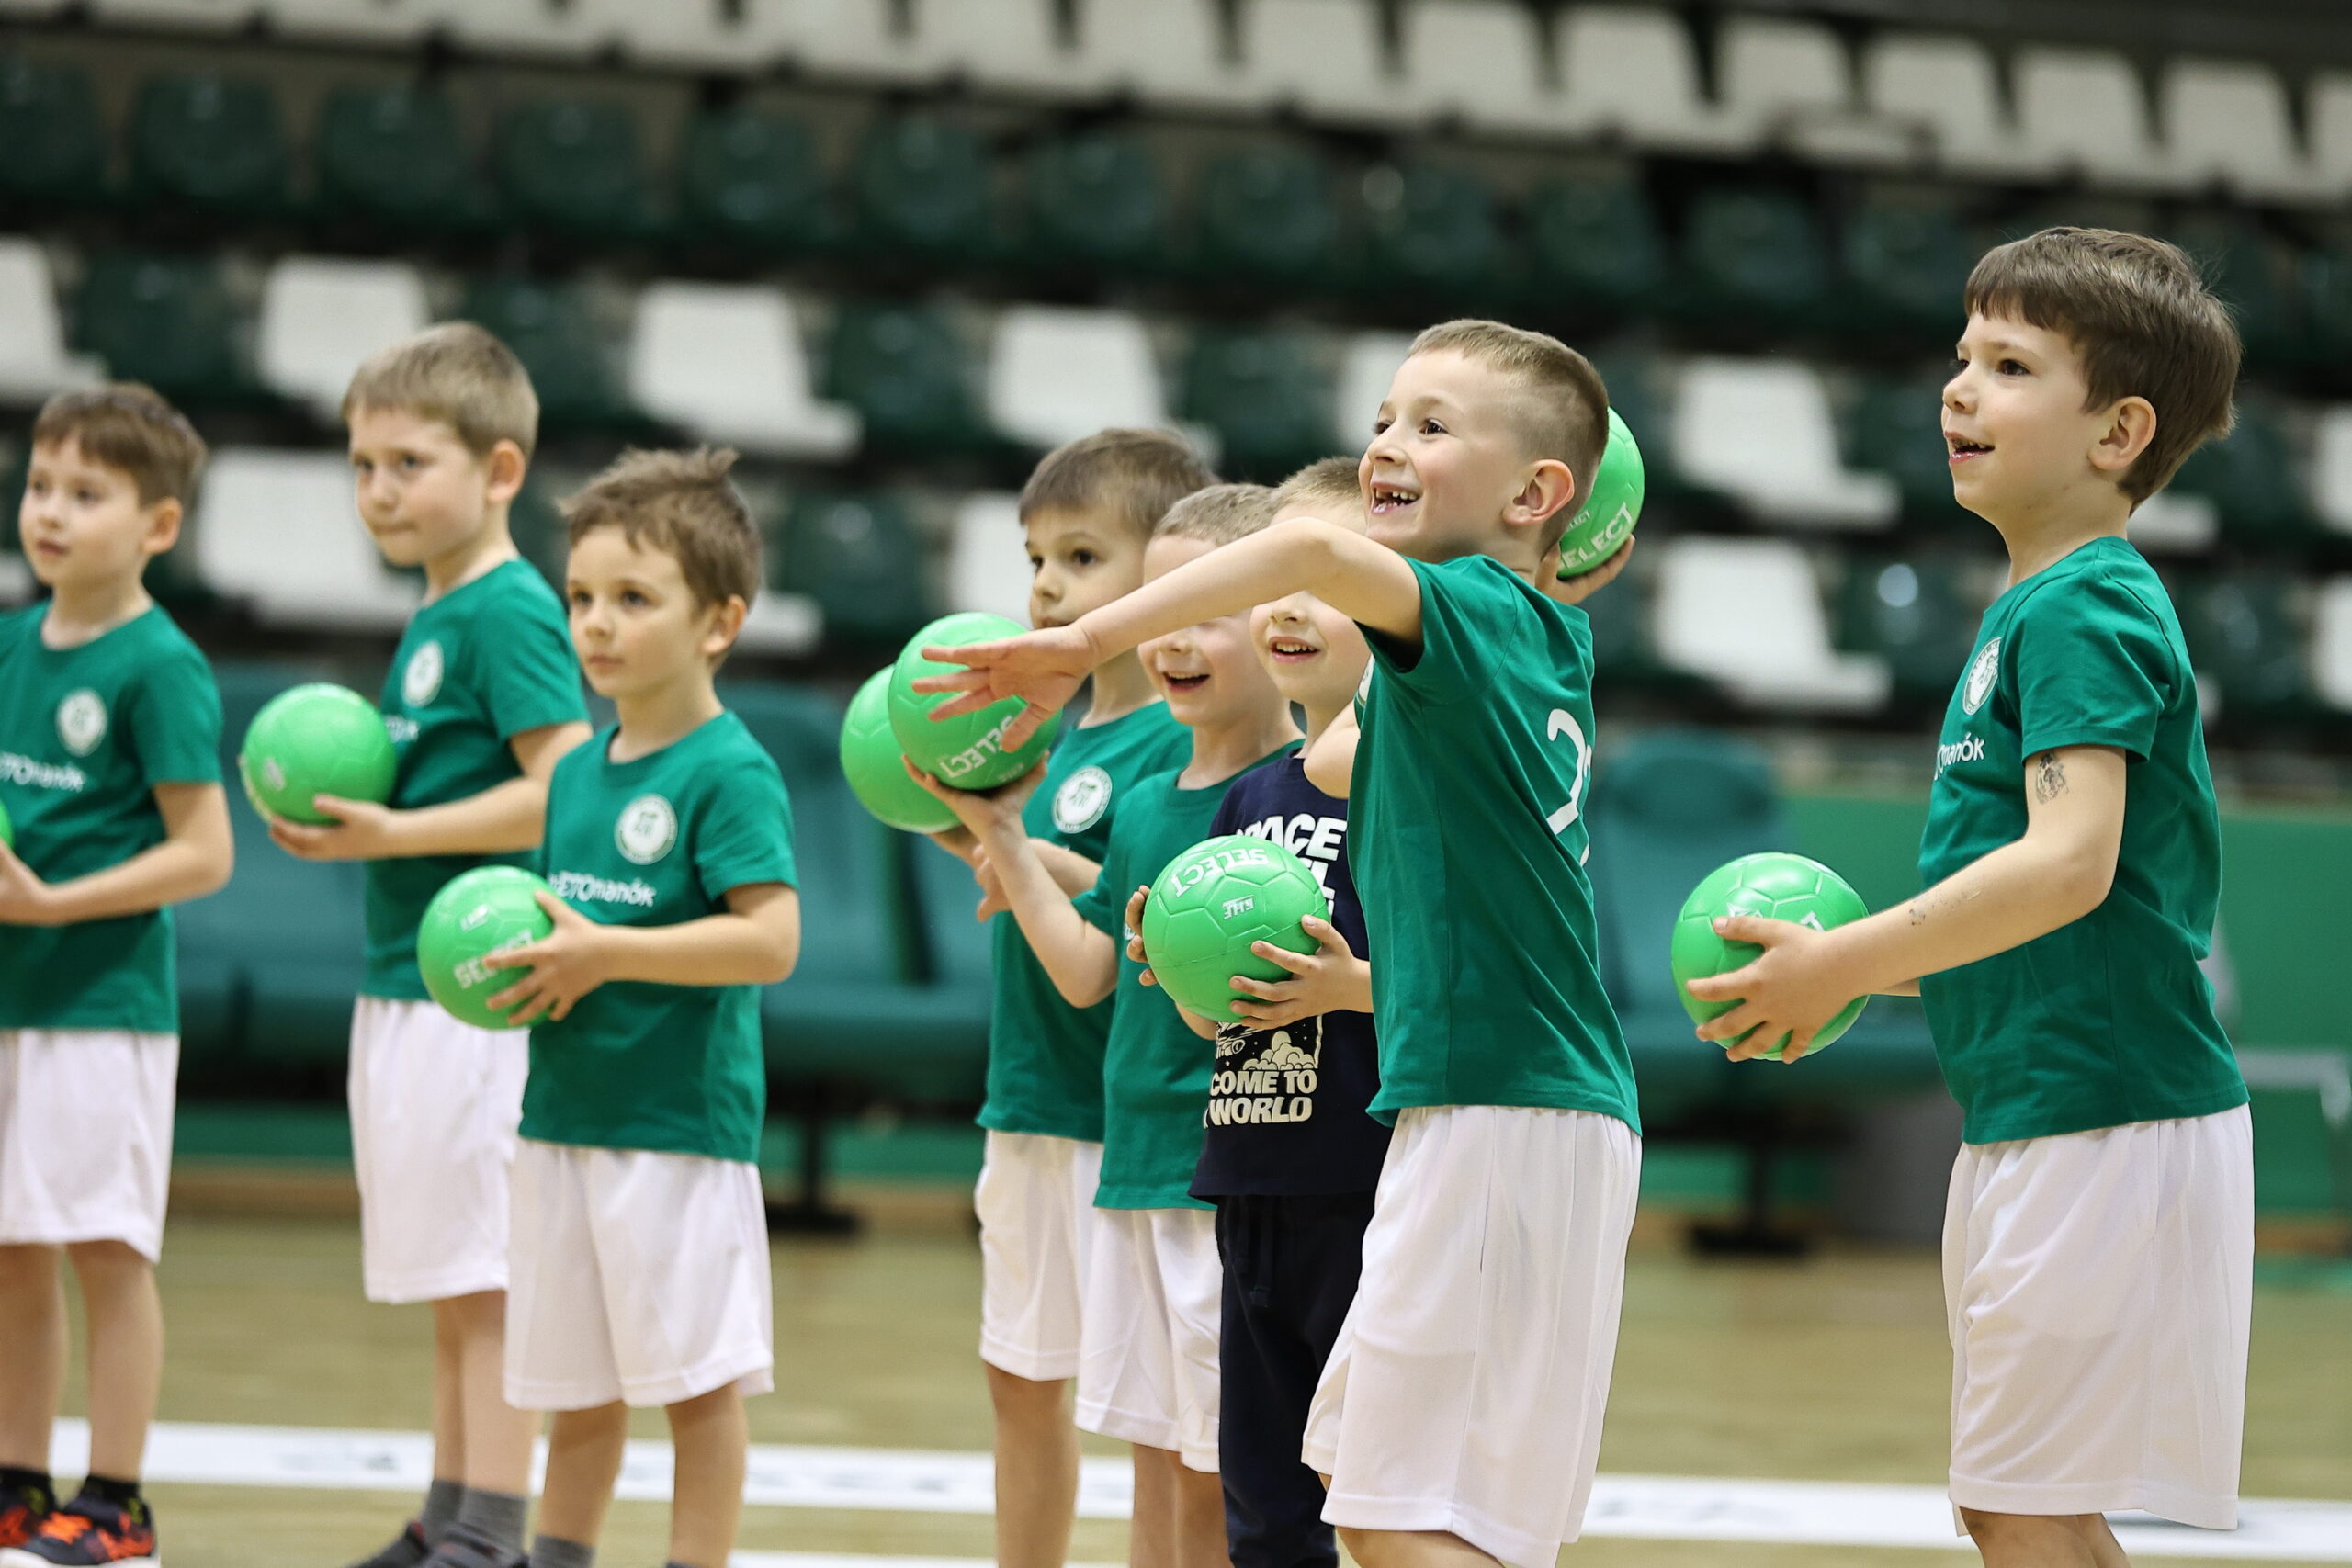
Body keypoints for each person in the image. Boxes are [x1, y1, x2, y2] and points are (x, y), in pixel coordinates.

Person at [914, 319, 1636, 1568]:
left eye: (1431, 425)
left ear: (1534, 496)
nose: (1388, 446)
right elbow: (1332, 747)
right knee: (1399, 1509)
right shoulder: (1523, 637)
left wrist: (1082, 644)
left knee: (1389, 1513)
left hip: (1506, 1105)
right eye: (1383, 419)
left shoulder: (1478, 609)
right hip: (1501, 1106)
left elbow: (1307, 550)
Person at [1682, 228, 2252, 1568]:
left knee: (2022, 1504)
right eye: (1961, 356)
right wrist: (1831, 967)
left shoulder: (2083, 606)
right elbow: (2030, 912)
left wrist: (1840, 962)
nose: (1957, 388)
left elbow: (2068, 864)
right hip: (2043, 1109)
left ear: (2118, 431)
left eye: (2008, 365)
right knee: (2027, 1503)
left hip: (2104, 1111)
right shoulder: (2033, 607)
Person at [922, 485, 1301, 1568]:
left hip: (1225, 1171)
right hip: (1134, 1170)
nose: (1172, 638)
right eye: (1160, 612)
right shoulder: (1144, 806)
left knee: (1219, 1470)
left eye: (1205, 614)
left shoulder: (1299, 794)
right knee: (1154, 1452)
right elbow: (1090, 970)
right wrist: (1001, 835)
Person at [271, 325, 592, 1568]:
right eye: (363, 465)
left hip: (476, 990)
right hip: (406, 978)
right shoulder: (437, 611)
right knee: (451, 1279)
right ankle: (446, 1517)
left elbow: (561, 784)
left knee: (487, 1276)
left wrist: (393, 830)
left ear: (500, 470)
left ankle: (489, 1535)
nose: (379, 490)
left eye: (409, 462)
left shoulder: (508, 609)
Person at [482, 447, 799, 1568]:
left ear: (720, 622)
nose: (596, 624)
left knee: (697, 1393)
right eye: (580, 597)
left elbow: (771, 941)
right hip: (562, 1121)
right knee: (576, 1391)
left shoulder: (730, 770)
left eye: (632, 598)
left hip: (675, 1136)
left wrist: (605, 952)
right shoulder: (574, 771)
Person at [937, 430, 1207, 1568]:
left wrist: (1023, 853)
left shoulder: (1181, 741)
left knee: (1157, 1414)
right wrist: (982, 836)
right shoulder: (1042, 732)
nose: (1046, 585)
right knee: (1020, 1376)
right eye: (1036, 558)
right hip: (1030, 1098)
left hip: (1125, 1121)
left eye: (1082, 557)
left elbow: (1133, 908)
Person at [0, 386, 232, 1568]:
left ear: (158, 525)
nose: (50, 511)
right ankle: (16, 1478)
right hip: (10, 1000)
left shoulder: (160, 664)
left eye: (86, 493)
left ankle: (117, 1500)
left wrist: (51, 903)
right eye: (41, 485)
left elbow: (205, 853)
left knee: (104, 1250)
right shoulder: (7, 643)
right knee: (11, 1251)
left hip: (102, 1008)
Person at [1160, 457, 1391, 1568]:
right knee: (1260, 1506)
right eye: (1271, 583)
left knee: (1373, 1490)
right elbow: (1216, 1024)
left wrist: (1345, 986)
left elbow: (1478, 981)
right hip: (1249, 1175)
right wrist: (1178, 966)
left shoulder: (1410, 785)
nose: (1289, 610)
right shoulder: (1250, 796)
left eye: (1325, 586)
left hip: (1366, 1185)